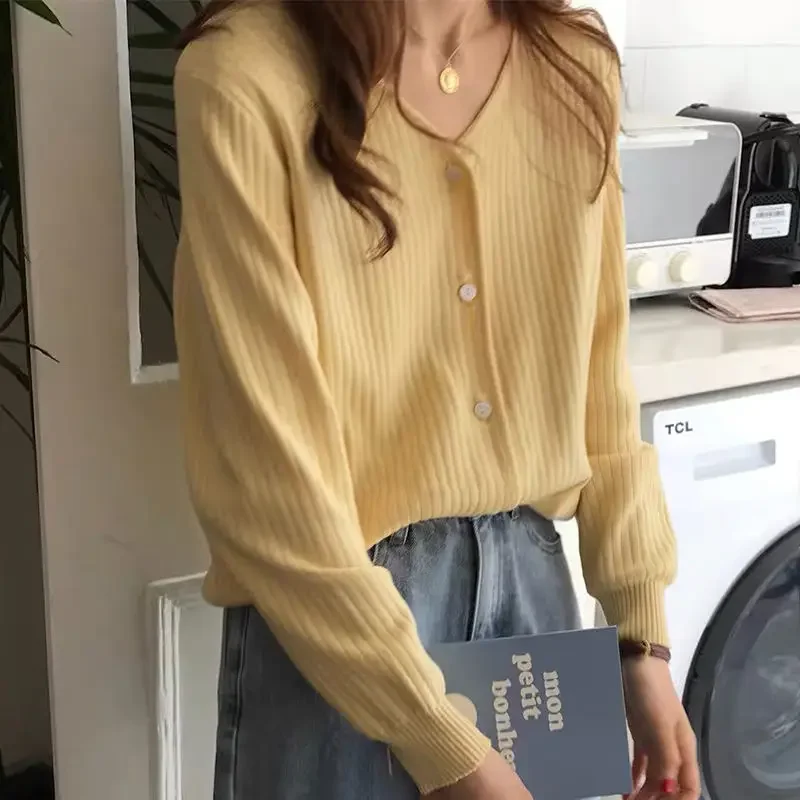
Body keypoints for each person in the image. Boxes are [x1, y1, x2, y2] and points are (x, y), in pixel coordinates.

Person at [172, 1, 701, 798]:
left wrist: (640, 639)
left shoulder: (573, 64)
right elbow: (265, 474)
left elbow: (598, 378)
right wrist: (441, 743)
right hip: (332, 624)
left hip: (533, 598)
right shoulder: (247, 74)